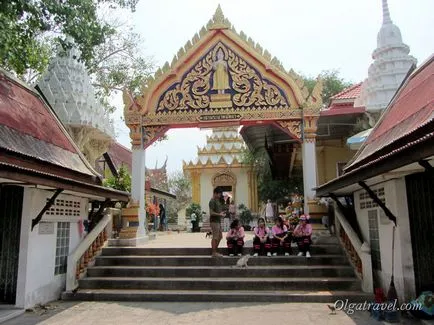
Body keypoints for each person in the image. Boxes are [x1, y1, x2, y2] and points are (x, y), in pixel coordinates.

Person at [209, 187, 226, 257]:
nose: (220, 195)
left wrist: (221, 213)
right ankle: (214, 252)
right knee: (215, 237)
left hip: (218, 221)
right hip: (214, 221)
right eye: (219, 194)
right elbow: (211, 212)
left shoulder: (217, 201)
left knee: (220, 236)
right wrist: (219, 214)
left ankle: (215, 251)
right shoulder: (212, 201)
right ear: (215, 193)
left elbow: (217, 211)